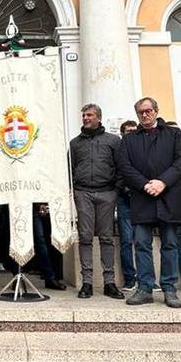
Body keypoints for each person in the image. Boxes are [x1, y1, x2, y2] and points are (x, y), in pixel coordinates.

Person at [116, 97, 181, 308]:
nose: (145, 115)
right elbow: (125, 166)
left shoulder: (174, 134)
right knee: (141, 245)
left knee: (170, 244)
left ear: (156, 111)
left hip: (169, 196)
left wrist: (162, 182)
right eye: (141, 112)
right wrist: (145, 184)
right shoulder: (129, 140)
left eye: (148, 111)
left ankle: (169, 289)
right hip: (142, 197)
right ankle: (145, 288)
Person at [69, 104, 124, 300]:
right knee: (85, 237)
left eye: (89, 115)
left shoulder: (113, 141)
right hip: (83, 192)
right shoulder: (74, 143)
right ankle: (87, 282)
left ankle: (109, 282)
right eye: (84, 115)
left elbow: (120, 166)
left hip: (107, 193)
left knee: (107, 237)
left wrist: (116, 189)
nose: (85, 118)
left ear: (99, 118)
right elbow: (71, 167)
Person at [117, 120, 139, 290]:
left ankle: (147, 278)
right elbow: (115, 173)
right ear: (122, 133)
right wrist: (124, 187)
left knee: (143, 241)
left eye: (134, 130)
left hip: (143, 199)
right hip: (125, 199)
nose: (131, 133)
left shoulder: (143, 148)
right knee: (126, 240)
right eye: (127, 131)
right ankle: (130, 277)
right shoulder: (118, 149)